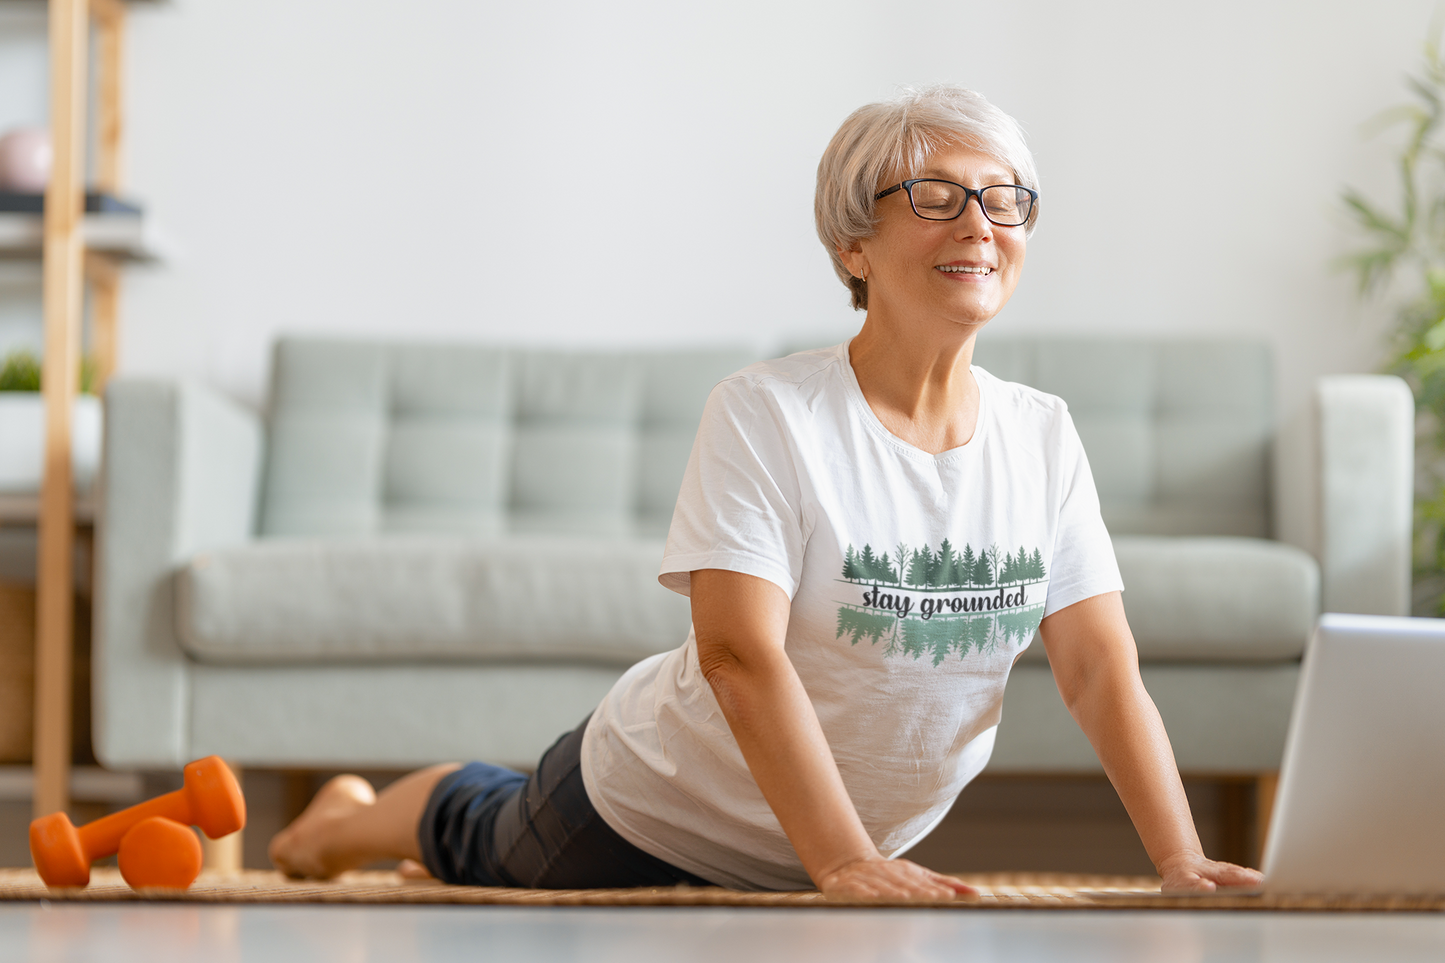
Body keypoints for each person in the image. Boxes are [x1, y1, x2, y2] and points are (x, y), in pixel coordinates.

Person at [269, 84, 1264, 900]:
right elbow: (737, 655)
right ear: (851, 246)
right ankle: (341, 823)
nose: (978, 222)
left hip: (841, 848)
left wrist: (1179, 858)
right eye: (934, 195)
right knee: (484, 837)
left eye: (1004, 199)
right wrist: (844, 863)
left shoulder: (1040, 434)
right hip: (657, 811)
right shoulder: (769, 412)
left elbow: (1097, 667)